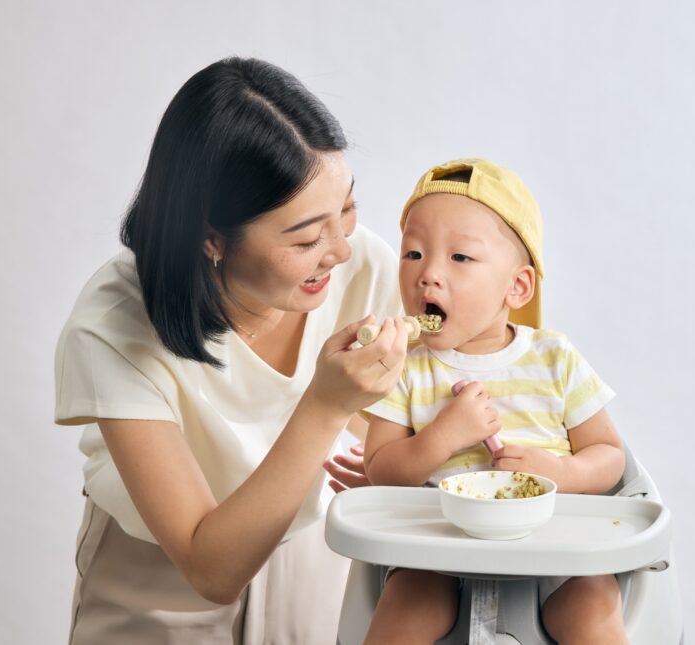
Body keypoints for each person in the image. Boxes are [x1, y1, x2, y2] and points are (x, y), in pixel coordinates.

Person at [54, 56, 408, 644]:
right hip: (160, 582)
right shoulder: (114, 329)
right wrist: (326, 405)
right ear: (211, 238)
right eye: (306, 236)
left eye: (347, 208)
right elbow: (207, 567)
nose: (341, 250)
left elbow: (413, 433)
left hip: (310, 561)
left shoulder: (361, 262)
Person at [362, 158, 629, 645]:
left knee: (592, 604)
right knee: (406, 607)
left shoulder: (555, 358)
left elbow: (611, 457)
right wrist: (443, 437)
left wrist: (563, 472)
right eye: (413, 254)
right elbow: (380, 470)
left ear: (517, 285)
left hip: (555, 546)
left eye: (460, 258)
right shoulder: (406, 366)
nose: (429, 275)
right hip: (436, 552)